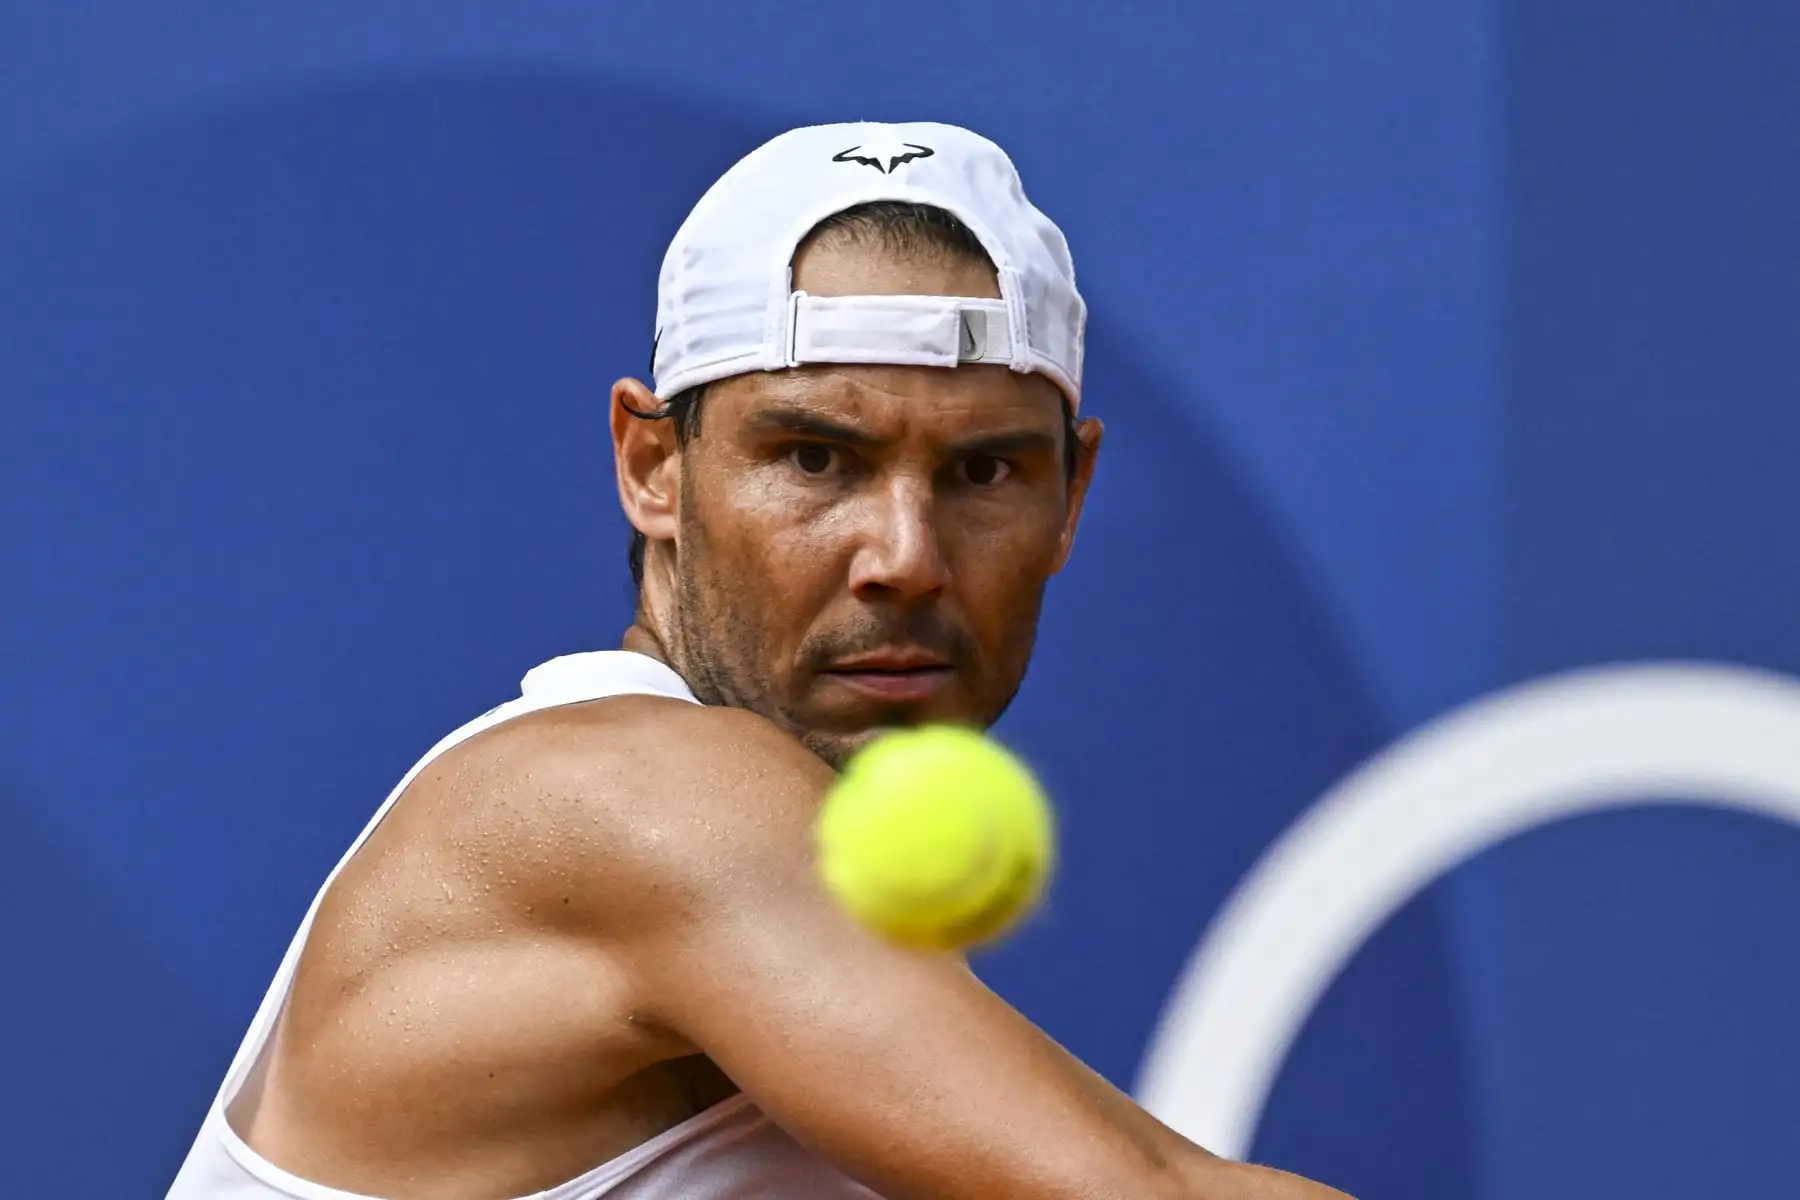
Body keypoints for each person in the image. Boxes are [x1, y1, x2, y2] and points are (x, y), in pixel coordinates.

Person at [168, 122, 1350, 1200]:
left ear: (1071, 495)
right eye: (815, 459)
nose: (905, 558)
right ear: (653, 467)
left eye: (983, 472)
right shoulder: (639, 795)